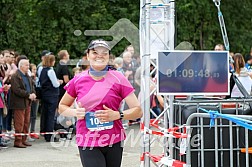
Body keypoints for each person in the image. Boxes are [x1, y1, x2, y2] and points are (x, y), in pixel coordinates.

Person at [58, 39, 142, 167]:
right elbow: (62, 107)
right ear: (88, 56)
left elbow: (138, 110)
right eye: (95, 52)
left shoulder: (118, 78)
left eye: (104, 53)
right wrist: (75, 112)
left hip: (114, 140)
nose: (100, 55)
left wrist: (117, 115)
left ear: (109, 57)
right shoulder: (78, 80)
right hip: (88, 140)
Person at [10, 59, 36, 148]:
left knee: (26, 122)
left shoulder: (27, 76)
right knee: (19, 122)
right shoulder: (15, 76)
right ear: (21, 66)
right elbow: (16, 90)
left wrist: (33, 94)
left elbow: (32, 86)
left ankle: (24, 139)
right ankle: (18, 141)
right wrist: (28, 95)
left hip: (27, 102)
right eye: (26, 65)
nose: (28, 67)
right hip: (19, 103)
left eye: (28, 65)